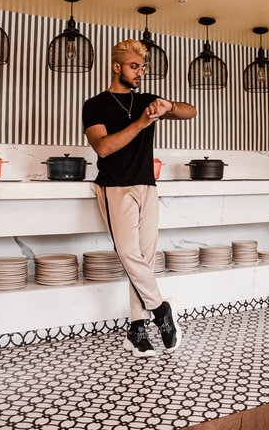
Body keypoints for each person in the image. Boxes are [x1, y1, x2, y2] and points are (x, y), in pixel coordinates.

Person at [82, 39, 197, 358]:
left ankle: (136, 329)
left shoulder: (147, 100)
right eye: (135, 66)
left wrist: (168, 107)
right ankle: (161, 311)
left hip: (147, 186)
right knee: (130, 255)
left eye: (142, 67)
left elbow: (191, 111)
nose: (140, 72)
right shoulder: (95, 105)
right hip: (114, 187)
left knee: (143, 260)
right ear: (116, 67)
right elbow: (103, 147)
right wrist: (143, 122)